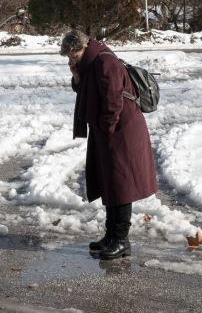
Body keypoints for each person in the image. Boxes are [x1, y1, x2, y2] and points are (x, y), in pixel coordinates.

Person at [60, 29, 158, 260]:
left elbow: (113, 101)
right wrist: (76, 75)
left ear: (82, 47)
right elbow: (85, 89)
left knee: (121, 186)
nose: (70, 58)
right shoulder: (90, 63)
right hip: (110, 131)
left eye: (72, 54)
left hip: (121, 132)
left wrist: (107, 129)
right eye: (68, 56)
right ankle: (111, 236)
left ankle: (121, 240)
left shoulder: (105, 62)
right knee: (110, 184)